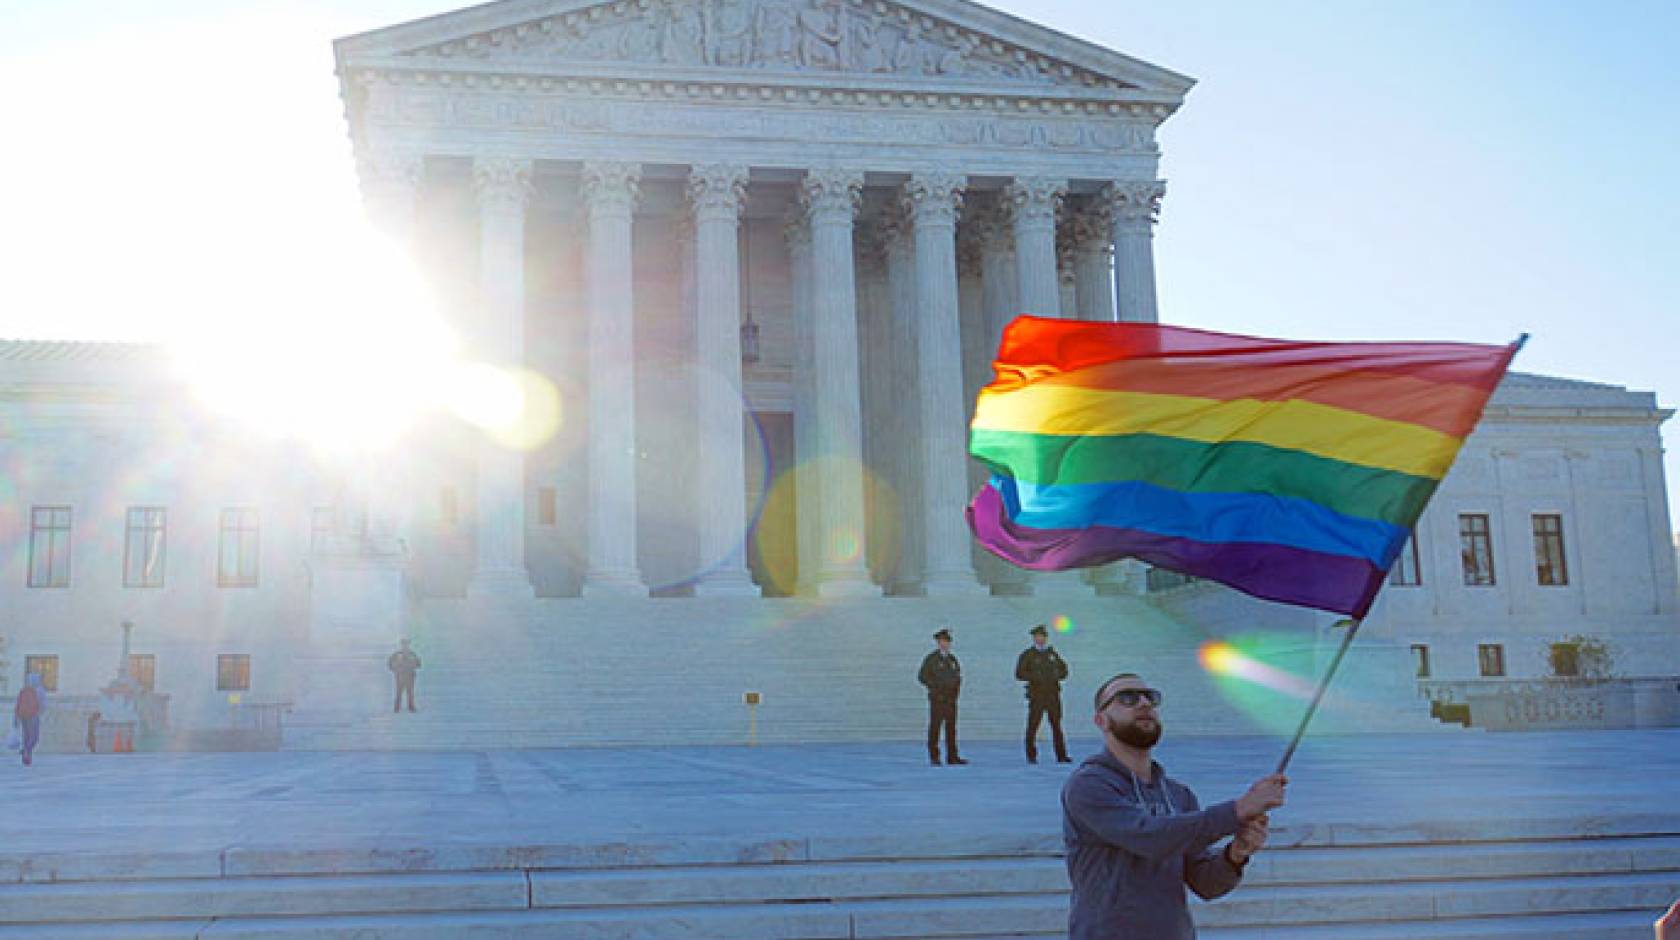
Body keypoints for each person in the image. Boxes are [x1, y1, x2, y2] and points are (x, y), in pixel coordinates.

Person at [1061, 672, 1288, 939]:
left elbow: (1206, 884)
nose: (1144, 703)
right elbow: (1150, 836)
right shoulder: (1088, 785)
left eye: (1150, 697)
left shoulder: (1179, 795)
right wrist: (1237, 810)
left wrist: (1236, 854)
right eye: (1127, 698)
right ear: (1101, 720)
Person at [1015, 624, 1070, 764]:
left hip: (1052, 694)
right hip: (1037, 694)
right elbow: (1019, 673)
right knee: (1033, 725)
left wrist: (1057, 675)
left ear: (1046, 638)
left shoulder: (1052, 654)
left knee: (1056, 725)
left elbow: (1064, 671)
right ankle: (1031, 755)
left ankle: (1061, 755)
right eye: (1037, 637)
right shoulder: (1028, 655)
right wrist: (1034, 677)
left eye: (1042, 637)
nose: (1040, 639)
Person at [917, 627, 966, 766]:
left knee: (951, 728)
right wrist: (935, 688)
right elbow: (922, 676)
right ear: (938, 643)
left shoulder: (952, 659)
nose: (944, 644)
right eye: (942, 641)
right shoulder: (932, 659)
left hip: (950, 699)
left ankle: (952, 756)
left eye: (947, 641)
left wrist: (955, 693)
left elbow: (957, 677)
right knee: (935, 727)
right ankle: (934, 756)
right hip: (938, 699)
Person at [13, 672, 48, 766]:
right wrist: (40, 713)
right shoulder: (40, 690)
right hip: (33, 715)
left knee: (26, 736)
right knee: (34, 737)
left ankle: (27, 758)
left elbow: (18, 703)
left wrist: (16, 718)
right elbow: (43, 705)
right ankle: (27, 752)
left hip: (23, 716)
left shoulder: (24, 690)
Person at [388, 639, 422, 713]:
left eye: (406, 644)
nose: (405, 646)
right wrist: (395, 669)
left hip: (410, 676)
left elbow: (419, 664)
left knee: (410, 692)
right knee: (399, 692)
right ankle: (397, 708)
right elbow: (390, 664)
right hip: (400, 676)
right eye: (404, 644)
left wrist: (414, 664)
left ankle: (411, 707)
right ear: (401, 645)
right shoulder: (397, 654)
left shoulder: (412, 654)